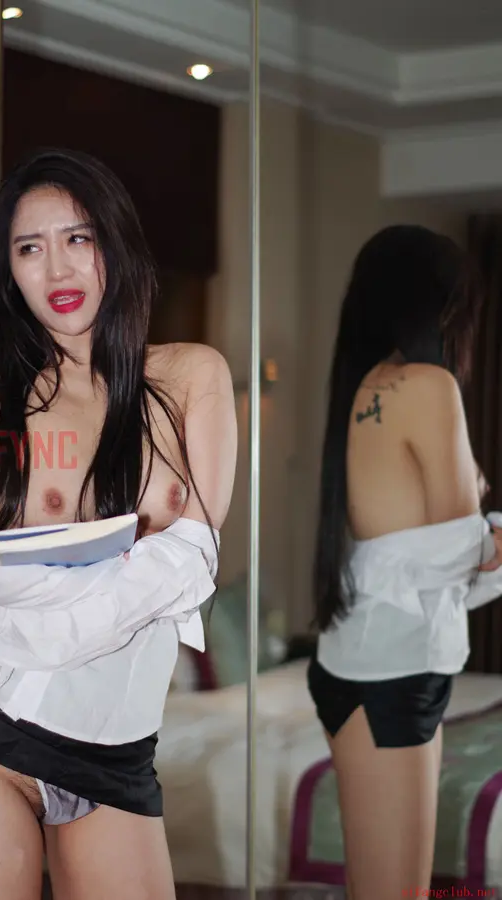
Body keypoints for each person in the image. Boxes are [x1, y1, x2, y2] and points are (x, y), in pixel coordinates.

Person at [0, 148, 237, 900]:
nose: (57, 268)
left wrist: (43, 588)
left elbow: (195, 561)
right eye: (29, 248)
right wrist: (132, 576)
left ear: (114, 243)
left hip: (117, 742)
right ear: (8, 270)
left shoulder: (190, 378)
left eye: (78, 238)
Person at [307, 224, 502, 900]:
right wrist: (488, 528)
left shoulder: (366, 386)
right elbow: (464, 547)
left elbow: (415, 549)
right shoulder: (428, 384)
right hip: (396, 672)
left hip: (354, 660)